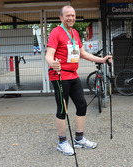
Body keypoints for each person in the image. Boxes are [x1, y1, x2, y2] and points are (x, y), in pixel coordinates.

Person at [45, 5, 112, 156]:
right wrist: (52, 62)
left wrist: (102, 60)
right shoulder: (56, 32)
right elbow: (49, 54)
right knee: (63, 109)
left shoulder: (74, 33)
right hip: (60, 75)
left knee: (82, 105)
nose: (71, 18)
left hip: (73, 74)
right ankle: (62, 142)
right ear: (61, 18)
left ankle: (79, 139)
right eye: (68, 15)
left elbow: (82, 53)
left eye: (73, 15)